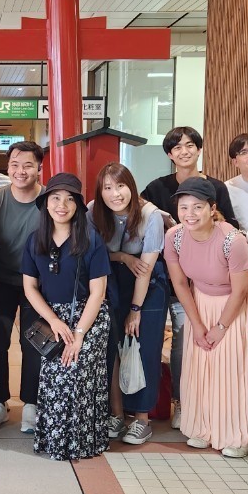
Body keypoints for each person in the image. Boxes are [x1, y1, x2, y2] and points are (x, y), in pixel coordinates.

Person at [141, 126, 240, 432]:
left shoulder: (216, 187)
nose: (184, 151)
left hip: (206, 284)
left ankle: (191, 404)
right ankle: (165, 404)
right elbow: (139, 217)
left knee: (191, 343)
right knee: (161, 341)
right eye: (177, 147)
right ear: (169, 155)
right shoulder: (157, 187)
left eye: (189, 145)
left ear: (198, 149)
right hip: (166, 280)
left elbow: (230, 226)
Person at [22, 173, 111, 461]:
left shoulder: (91, 240)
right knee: (55, 377)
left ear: (78, 206)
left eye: (70, 199)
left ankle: (82, 442)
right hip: (52, 319)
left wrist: (80, 334)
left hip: (88, 318)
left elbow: (98, 292)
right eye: (56, 198)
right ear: (46, 203)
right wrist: (54, 321)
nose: (62, 205)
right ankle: (55, 440)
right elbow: (30, 287)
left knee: (76, 372)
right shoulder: (35, 240)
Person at [163, 177, 248, 458]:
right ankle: (202, 428)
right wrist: (197, 324)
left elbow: (241, 290)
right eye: (183, 207)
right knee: (200, 366)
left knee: (231, 369)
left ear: (212, 209)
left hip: (233, 306)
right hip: (199, 302)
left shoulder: (233, 241)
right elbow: (180, 283)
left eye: (197, 207)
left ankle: (239, 435)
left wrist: (220, 327)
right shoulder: (174, 237)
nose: (189, 214)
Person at [88, 163, 166, 446]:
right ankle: (117, 414)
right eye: (107, 188)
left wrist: (135, 310)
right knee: (112, 347)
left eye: (120, 186)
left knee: (143, 348)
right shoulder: (93, 211)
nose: (115, 194)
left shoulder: (151, 215)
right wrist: (122, 257)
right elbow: (91, 253)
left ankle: (142, 419)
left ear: (131, 187)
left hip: (147, 285)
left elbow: (145, 268)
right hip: (110, 282)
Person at [0, 141, 44, 433]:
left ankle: (31, 403)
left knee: (34, 342)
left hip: (38, 284)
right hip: (1, 279)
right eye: (15, 165)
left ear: (39, 167)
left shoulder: (49, 200)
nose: (20, 171)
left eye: (28, 165)